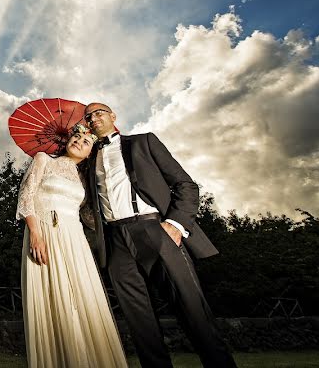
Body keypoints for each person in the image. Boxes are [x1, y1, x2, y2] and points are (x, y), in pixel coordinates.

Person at [83, 102, 236, 368]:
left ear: (112, 116)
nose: (93, 118)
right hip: (114, 241)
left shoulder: (143, 142)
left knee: (193, 310)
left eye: (99, 112)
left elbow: (185, 184)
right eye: (88, 116)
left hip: (155, 230)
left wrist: (176, 224)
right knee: (138, 321)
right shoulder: (87, 161)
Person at [16, 122, 127, 368]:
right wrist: (35, 233)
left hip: (74, 239)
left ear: (91, 152)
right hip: (44, 232)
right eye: (76, 137)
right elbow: (26, 197)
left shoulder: (84, 180)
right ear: (67, 141)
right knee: (52, 297)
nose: (78, 141)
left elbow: (88, 218)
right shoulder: (44, 159)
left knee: (81, 296)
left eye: (86, 141)